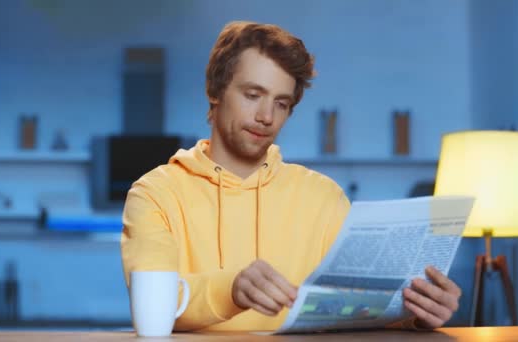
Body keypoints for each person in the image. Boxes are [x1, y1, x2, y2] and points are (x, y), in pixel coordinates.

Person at [120, 21, 462, 332]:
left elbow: (361, 313)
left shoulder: (323, 196)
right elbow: (154, 312)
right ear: (215, 91)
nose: (266, 116)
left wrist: (417, 313)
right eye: (252, 95)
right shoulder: (154, 194)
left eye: (281, 103)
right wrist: (233, 289)